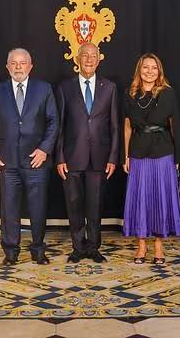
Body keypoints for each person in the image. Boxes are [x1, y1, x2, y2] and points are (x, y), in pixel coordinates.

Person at [0, 48, 59, 265]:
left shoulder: (44, 89)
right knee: (9, 209)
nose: (18, 67)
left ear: (30, 66)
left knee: (37, 207)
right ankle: (10, 251)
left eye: (22, 63)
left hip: (36, 160)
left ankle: (38, 249)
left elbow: (54, 122)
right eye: (14, 63)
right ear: (7, 67)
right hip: (6, 162)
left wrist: (44, 149)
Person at [55, 42, 119, 264]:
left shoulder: (109, 88)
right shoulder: (65, 88)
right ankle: (77, 247)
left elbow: (114, 127)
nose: (89, 59)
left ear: (99, 59)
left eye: (93, 55)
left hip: (100, 158)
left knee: (95, 204)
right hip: (72, 157)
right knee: (74, 204)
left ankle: (93, 247)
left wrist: (113, 157)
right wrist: (60, 157)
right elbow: (60, 126)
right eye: (85, 56)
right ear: (77, 59)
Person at [123, 53, 180, 264]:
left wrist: (178, 156)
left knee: (160, 198)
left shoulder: (167, 93)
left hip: (163, 150)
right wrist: (126, 156)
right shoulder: (130, 94)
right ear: (139, 70)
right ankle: (141, 247)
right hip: (138, 150)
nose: (149, 71)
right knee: (140, 198)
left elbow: (175, 125)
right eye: (145, 67)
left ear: (159, 71)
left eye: (154, 68)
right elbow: (128, 127)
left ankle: (158, 246)